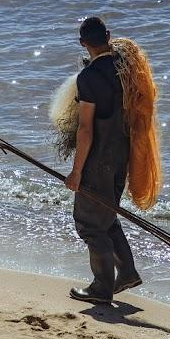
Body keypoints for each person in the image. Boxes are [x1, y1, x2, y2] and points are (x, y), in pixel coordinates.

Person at [64, 17, 143, 304]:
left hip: (98, 159)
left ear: (83, 43)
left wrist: (76, 172)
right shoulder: (126, 69)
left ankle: (101, 288)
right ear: (108, 35)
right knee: (106, 214)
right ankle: (127, 273)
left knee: (89, 223)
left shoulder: (88, 77)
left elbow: (86, 129)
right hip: (121, 154)